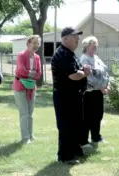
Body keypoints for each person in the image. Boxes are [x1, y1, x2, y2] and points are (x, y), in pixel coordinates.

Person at [51, 27, 91, 165]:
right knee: (66, 126)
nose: (77, 39)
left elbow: (77, 70)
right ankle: (64, 155)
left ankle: (74, 150)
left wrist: (83, 70)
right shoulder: (62, 54)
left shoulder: (71, 53)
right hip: (64, 97)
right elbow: (73, 75)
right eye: (75, 37)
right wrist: (85, 73)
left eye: (78, 37)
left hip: (73, 96)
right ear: (65, 38)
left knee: (75, 124)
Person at [79, 36, 110, 146]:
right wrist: (101, 87)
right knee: (87, 117)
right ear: (87, 46)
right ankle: (83, 141)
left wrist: (107, 84)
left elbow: (105, 71)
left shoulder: (96, 58)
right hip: (89, 92)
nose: (95, 46)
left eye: (96, 44)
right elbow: (89, 77)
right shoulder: (84, 59)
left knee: (98, 115)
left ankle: (96, 137)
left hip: (99, 91)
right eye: (93, 44)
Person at [12, 35, 42, 144]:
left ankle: (30, 134)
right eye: (34, 43)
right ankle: (25, 138)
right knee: (24, 113)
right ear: (28, 43)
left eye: (37, 43)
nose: (36, 45)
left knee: (30, 113)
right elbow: (20, 70)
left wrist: (29, 73)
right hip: (20, 87)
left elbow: (39, 74)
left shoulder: (37, 57)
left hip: (31, 88)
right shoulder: (21, 55)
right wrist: (30, 73)